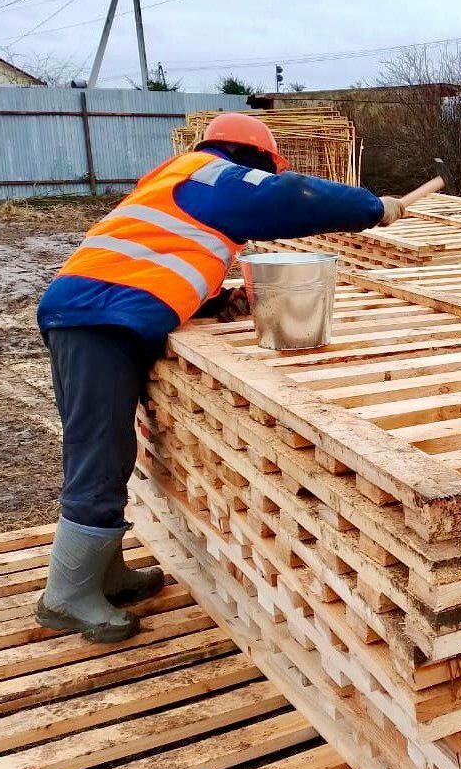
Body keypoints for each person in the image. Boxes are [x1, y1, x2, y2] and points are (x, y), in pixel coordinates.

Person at [35, 112, 405, 644]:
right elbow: (286, 197)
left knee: (111, 449)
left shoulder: (178, 185)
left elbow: (155, 263)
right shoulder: (210, 174)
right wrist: (373, 208)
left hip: (101, 312)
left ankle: (105, 573)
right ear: (252, 158)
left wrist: (215, 302)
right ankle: (66, 596)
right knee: (98, 449)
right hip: (95, 321)